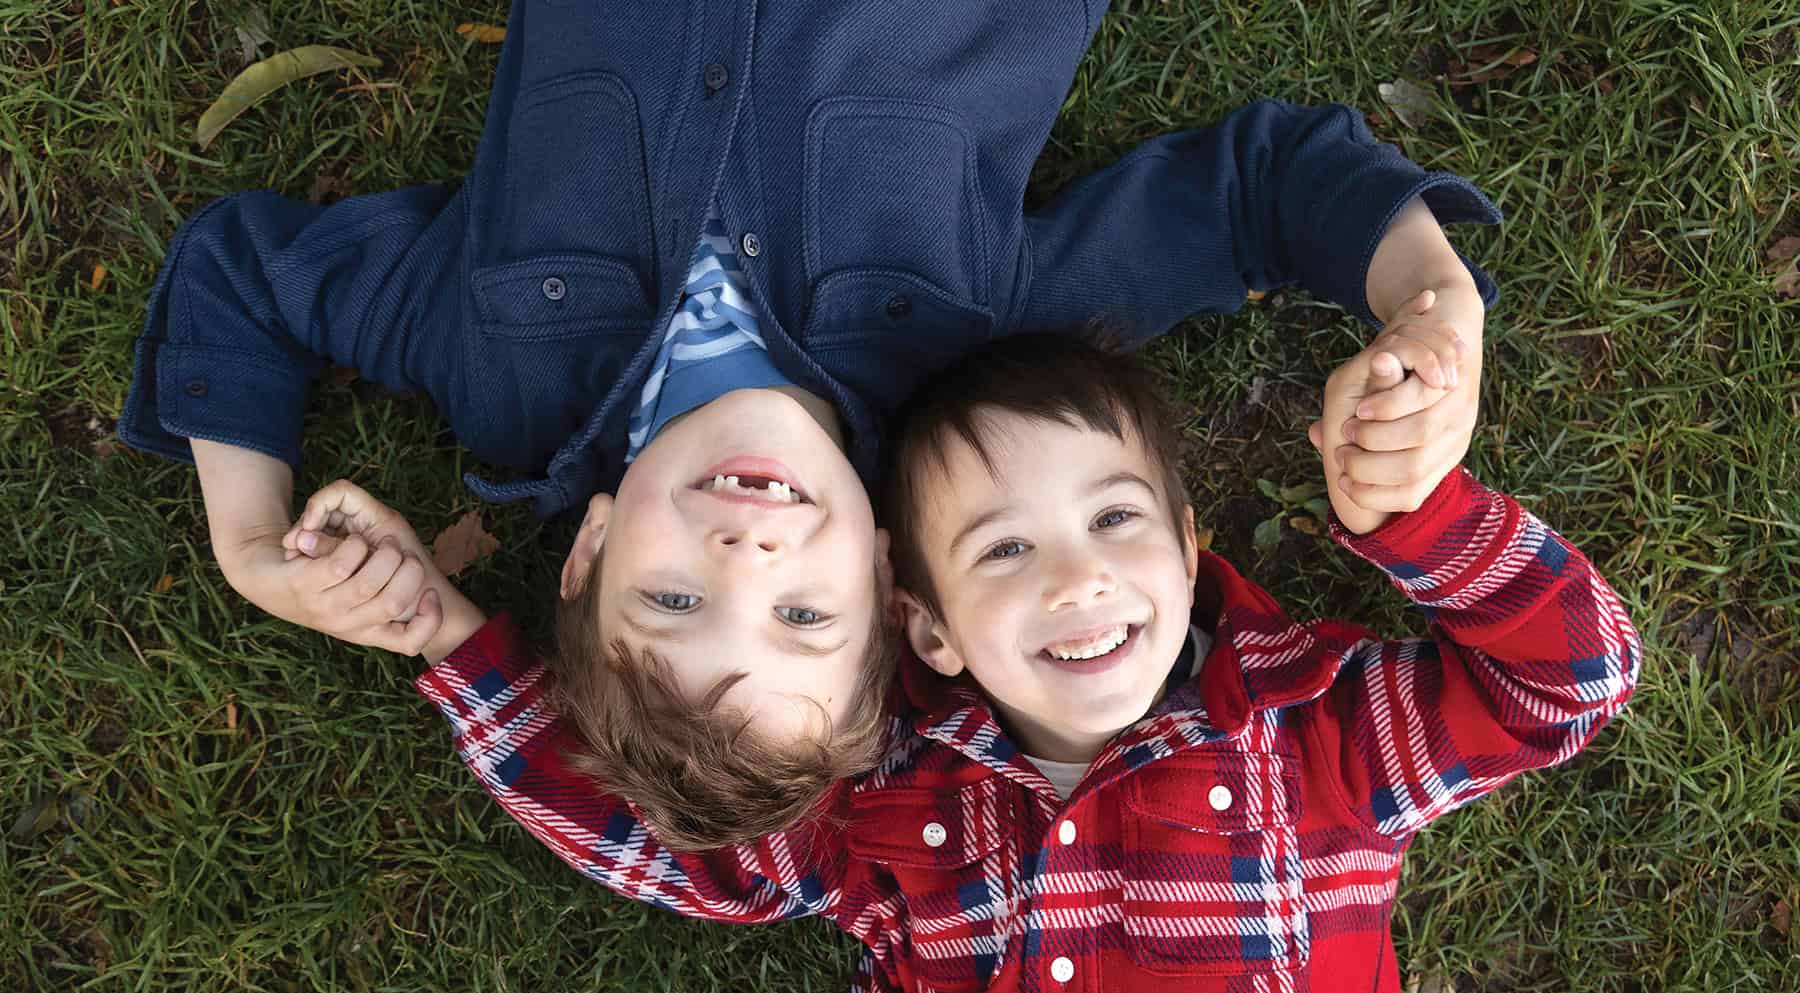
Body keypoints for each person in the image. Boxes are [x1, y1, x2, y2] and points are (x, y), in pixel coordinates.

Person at [301, 311, 1640, 993]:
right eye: (1005, 550)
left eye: (1117, 524)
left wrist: (1422, 517)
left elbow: (1568, 683)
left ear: (1187, 551)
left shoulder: (1308, 741)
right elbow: (689, 849)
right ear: (924, 628)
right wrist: (452, 642)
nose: (1075, 578)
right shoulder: (887, 795)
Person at [118, 0, 1501, 849]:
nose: (747, 554)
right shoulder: (982, 375)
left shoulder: (493, 362)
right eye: (802, 621)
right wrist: (1434, 307)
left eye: (671, 595)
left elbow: (245, 277)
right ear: (896, 590)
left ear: (589, 551)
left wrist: (251, 543)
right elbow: (1264, 189)